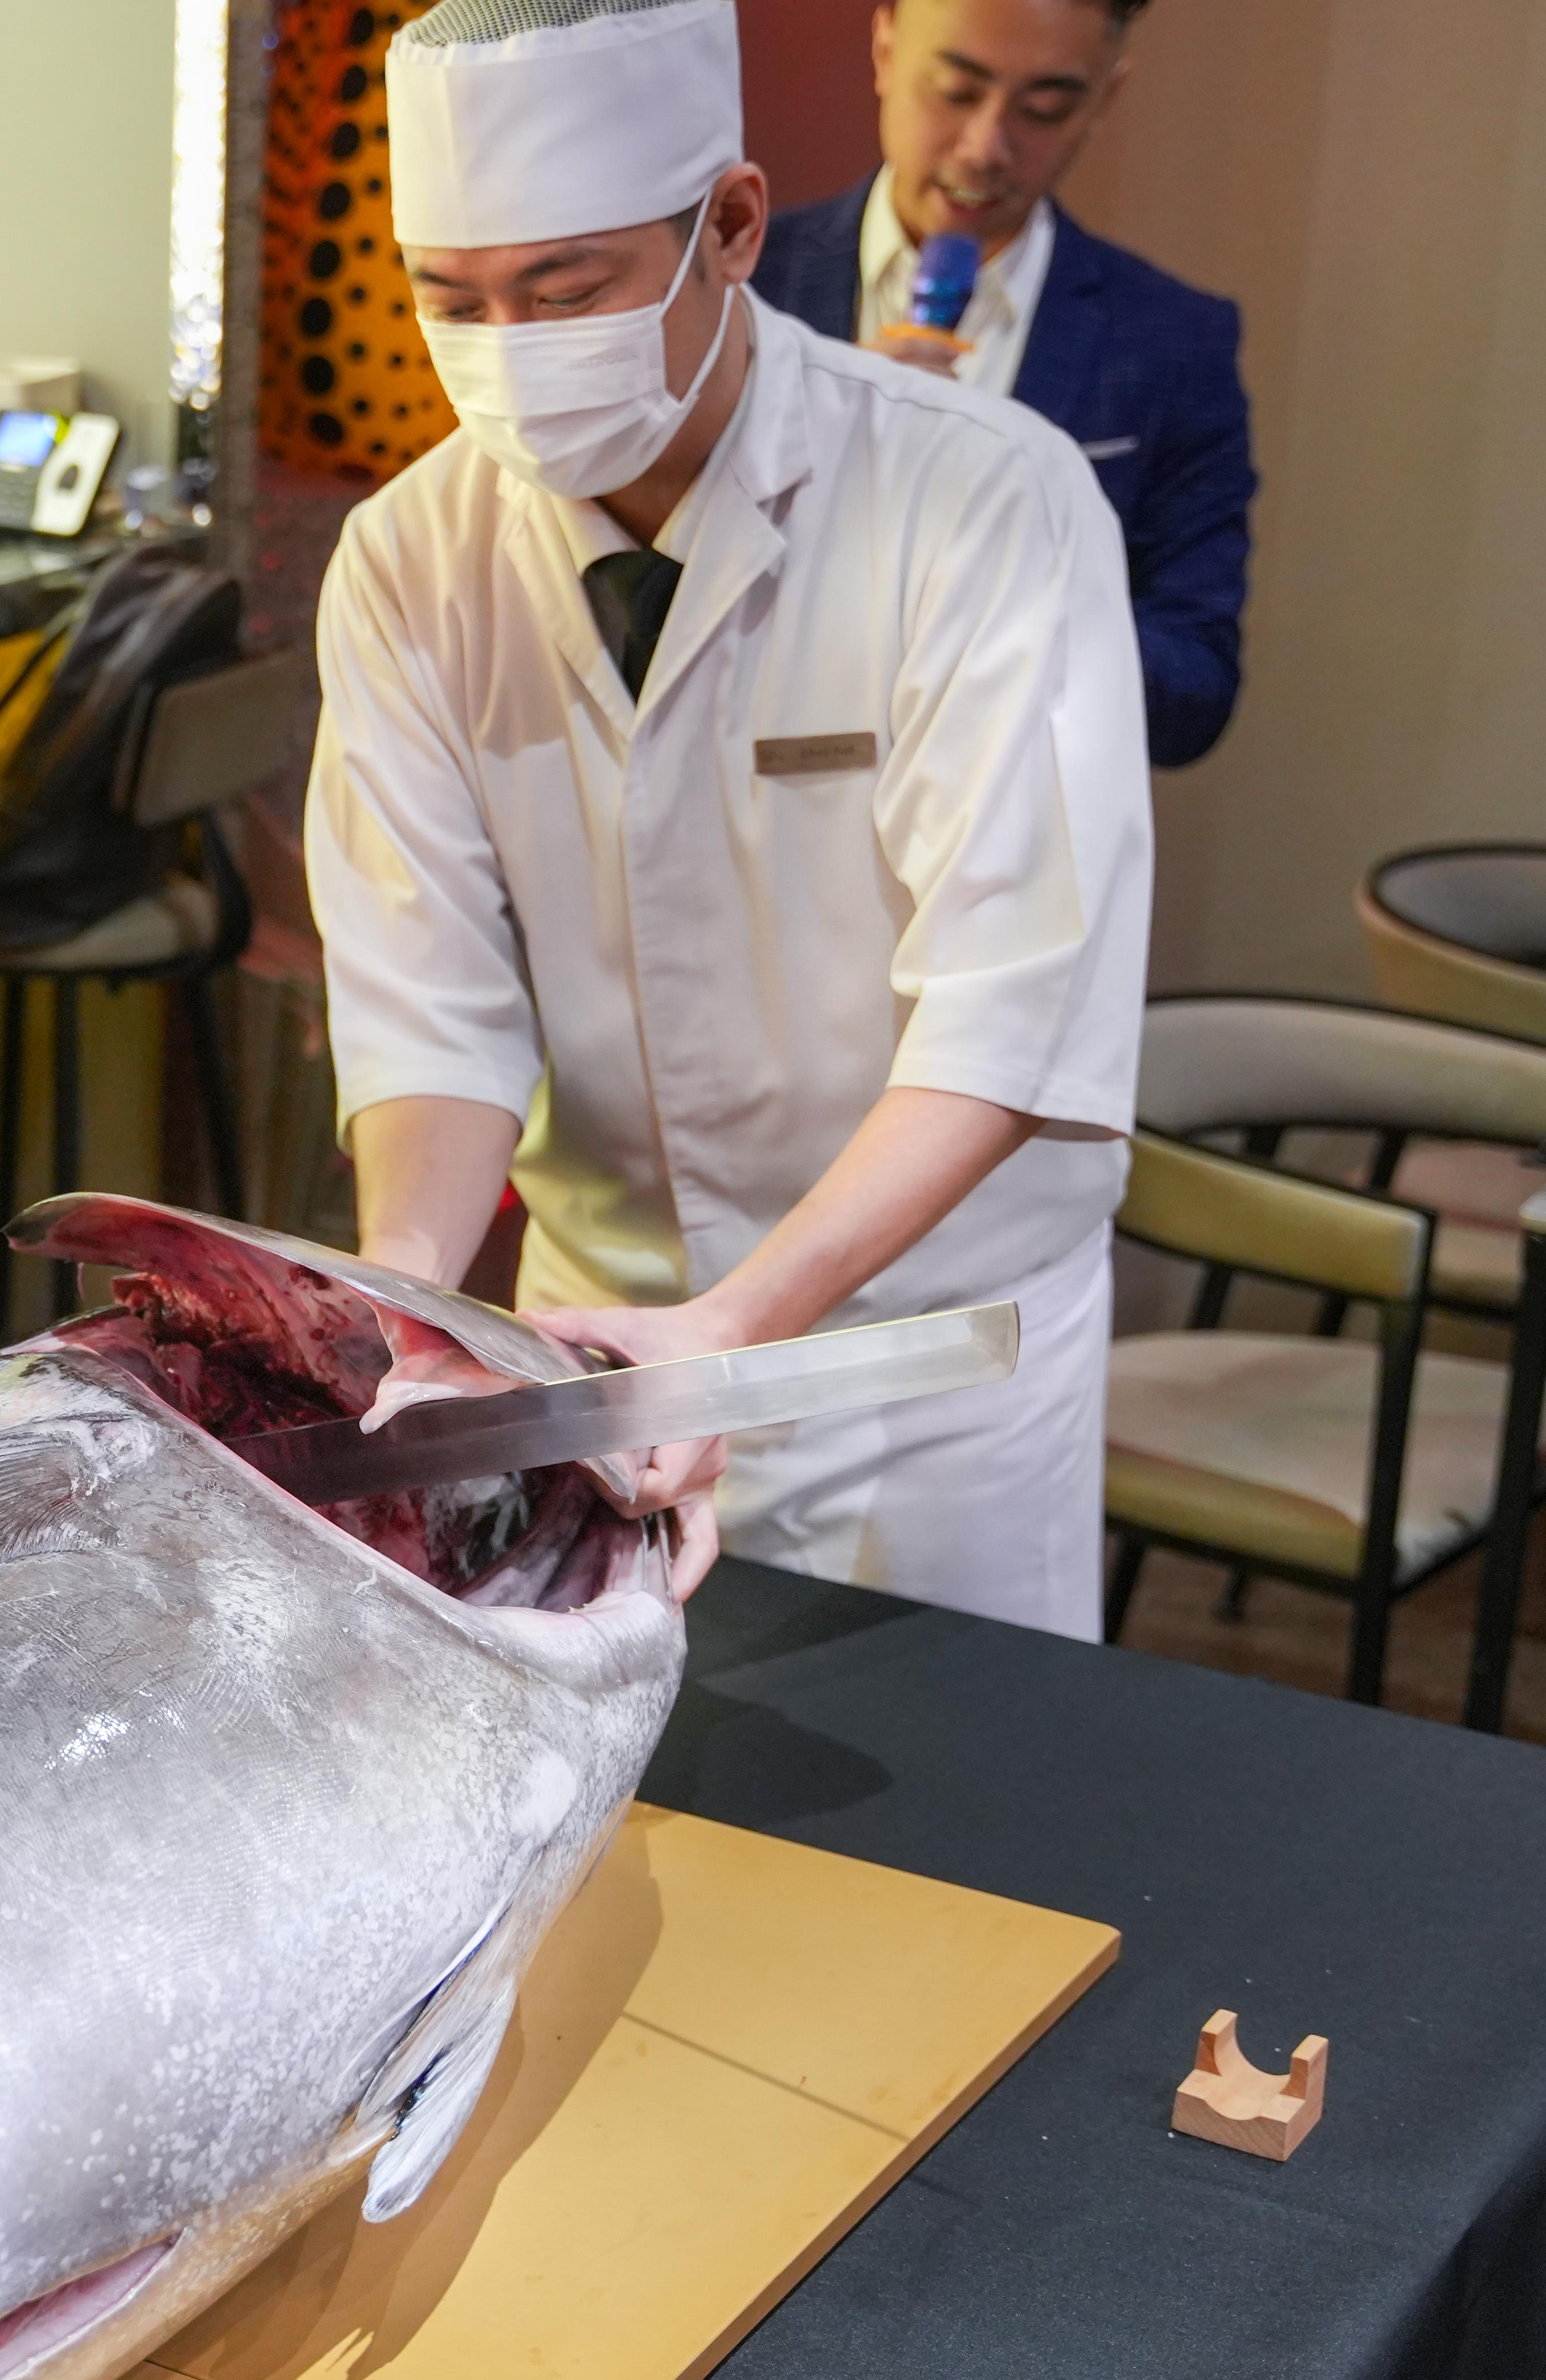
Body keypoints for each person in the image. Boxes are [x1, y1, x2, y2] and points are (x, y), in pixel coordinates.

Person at [312, 0, 1149, 1638]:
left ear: (731, 226)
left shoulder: (980, 499)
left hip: (908, 1361)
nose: (511, 349)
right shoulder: (408, 561)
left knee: (957, 1855)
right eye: (454, 303)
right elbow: (431, 1009)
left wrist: (744, 1319)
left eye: (565, 292)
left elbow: (1010, 1000)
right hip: (592, 1355)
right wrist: (407, 1314)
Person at [753, 0, 1256, 769]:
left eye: (1044, 109)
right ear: (884, 47)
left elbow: (1194, 694)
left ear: (1103, 99)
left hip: (1013, 858)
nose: (985, 147)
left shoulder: (1171, 343)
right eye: (955, 92)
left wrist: (1006, 602)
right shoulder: (741, 289)